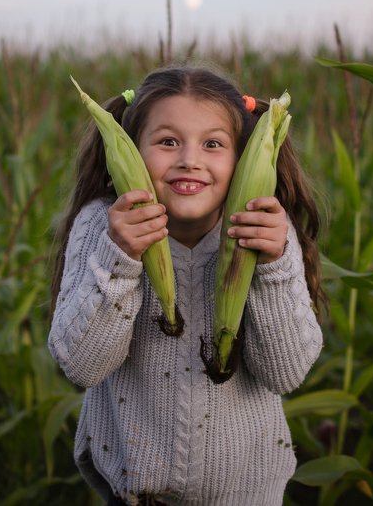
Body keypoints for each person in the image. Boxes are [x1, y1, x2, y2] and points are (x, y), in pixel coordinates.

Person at [48, 65, 325, 505]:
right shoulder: (102, 228)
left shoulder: (269, 235)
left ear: (244, 156)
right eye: (167, 142)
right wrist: (119, 257)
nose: (189, 159)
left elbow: (286, 372)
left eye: (213, 144)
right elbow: (83, 366)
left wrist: (272, 266)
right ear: (132, 149)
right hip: (133, 497)